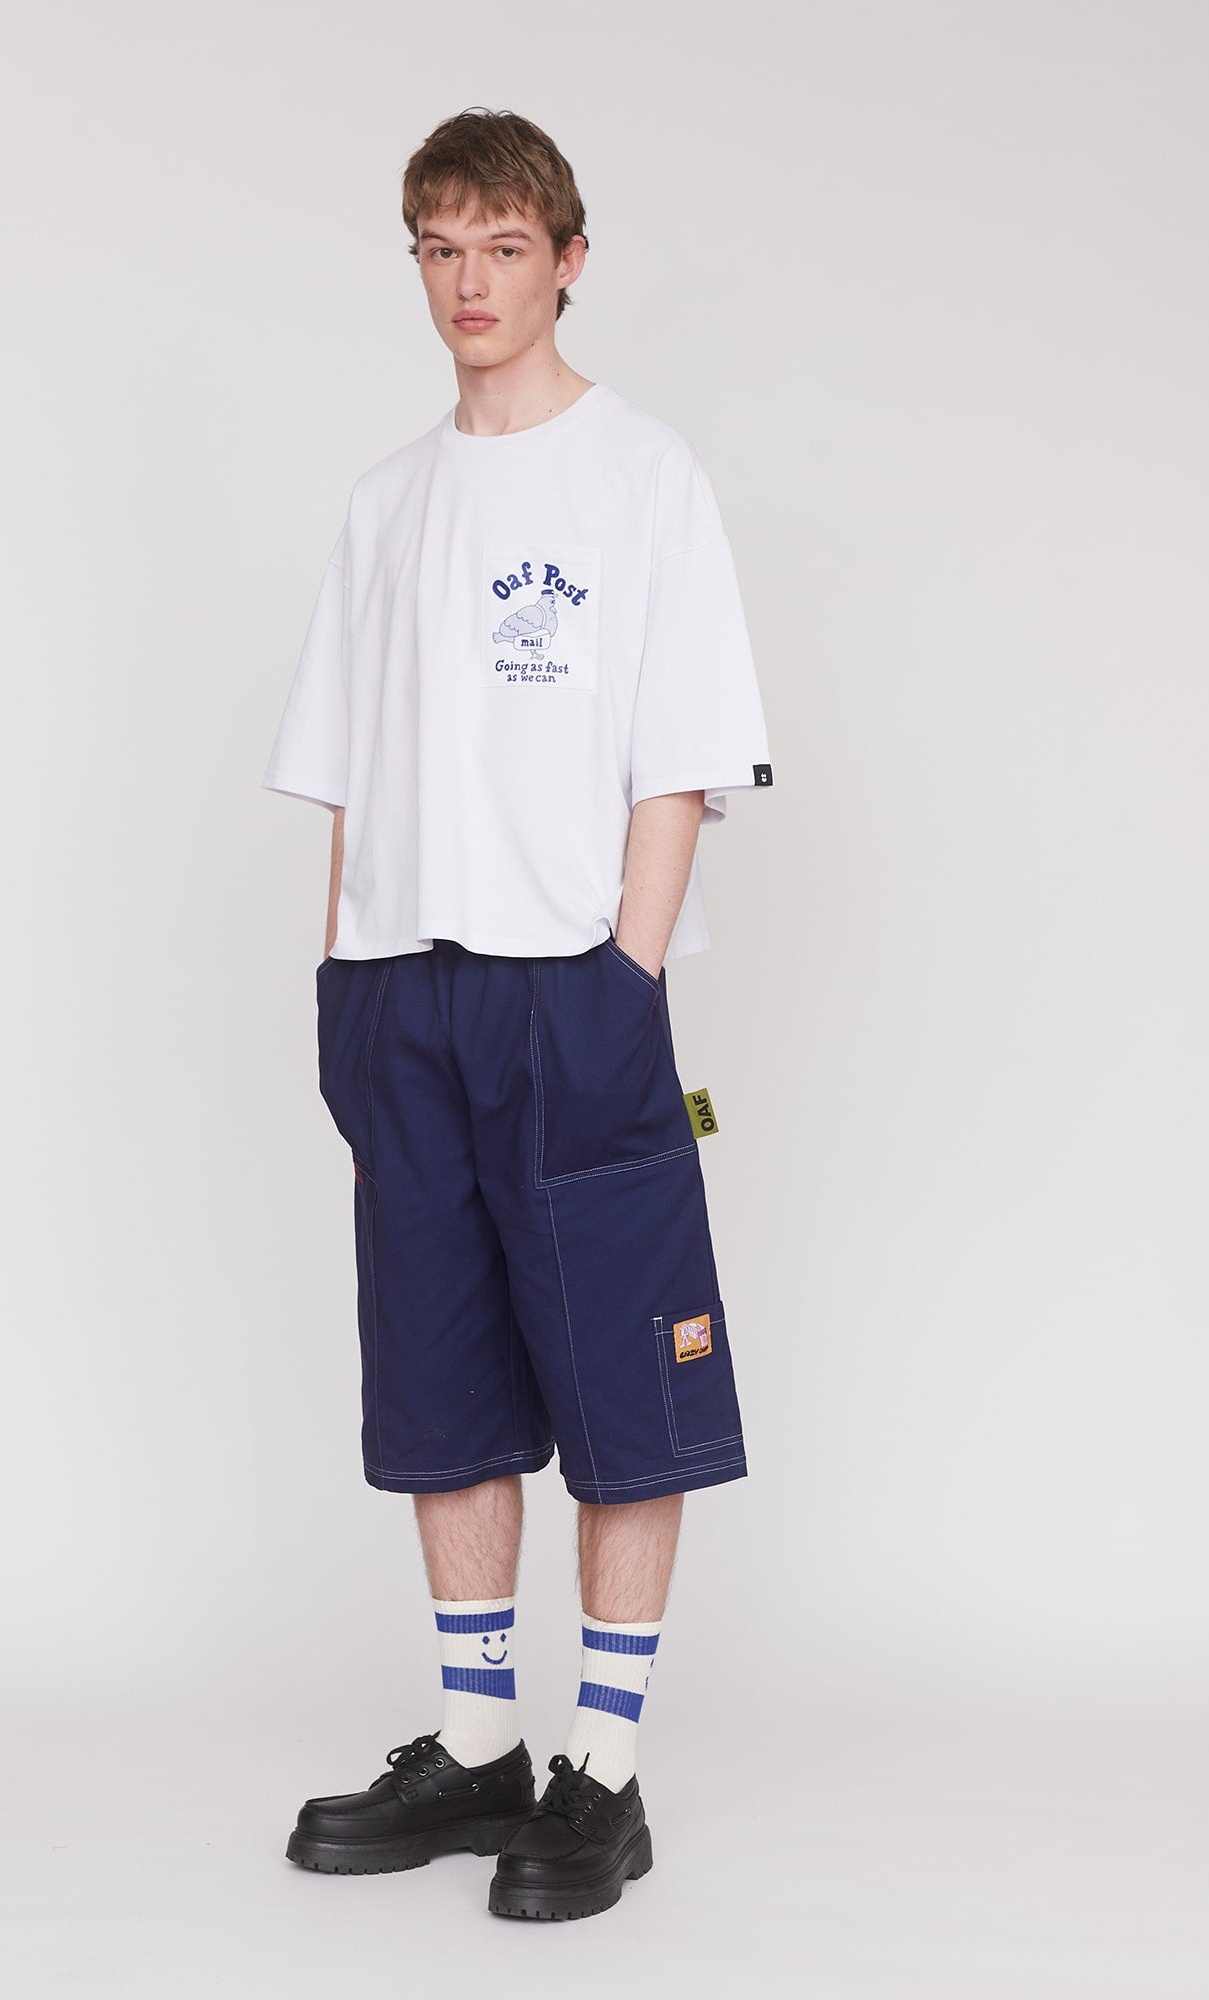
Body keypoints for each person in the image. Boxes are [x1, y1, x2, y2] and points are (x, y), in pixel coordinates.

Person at [261, 106, 772, 1922]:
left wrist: (628, 976)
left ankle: (602, 1771)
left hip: (574, 985)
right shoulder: (385, 502)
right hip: (401, 990)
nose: (469, 283)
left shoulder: (643, 476)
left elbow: (680, 759)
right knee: (442, 1373)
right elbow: (346, 770)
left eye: (502, 247)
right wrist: (343, 983)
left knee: (625, 1372)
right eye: (439, 248)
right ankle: (479, 1741)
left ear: (567, 259)